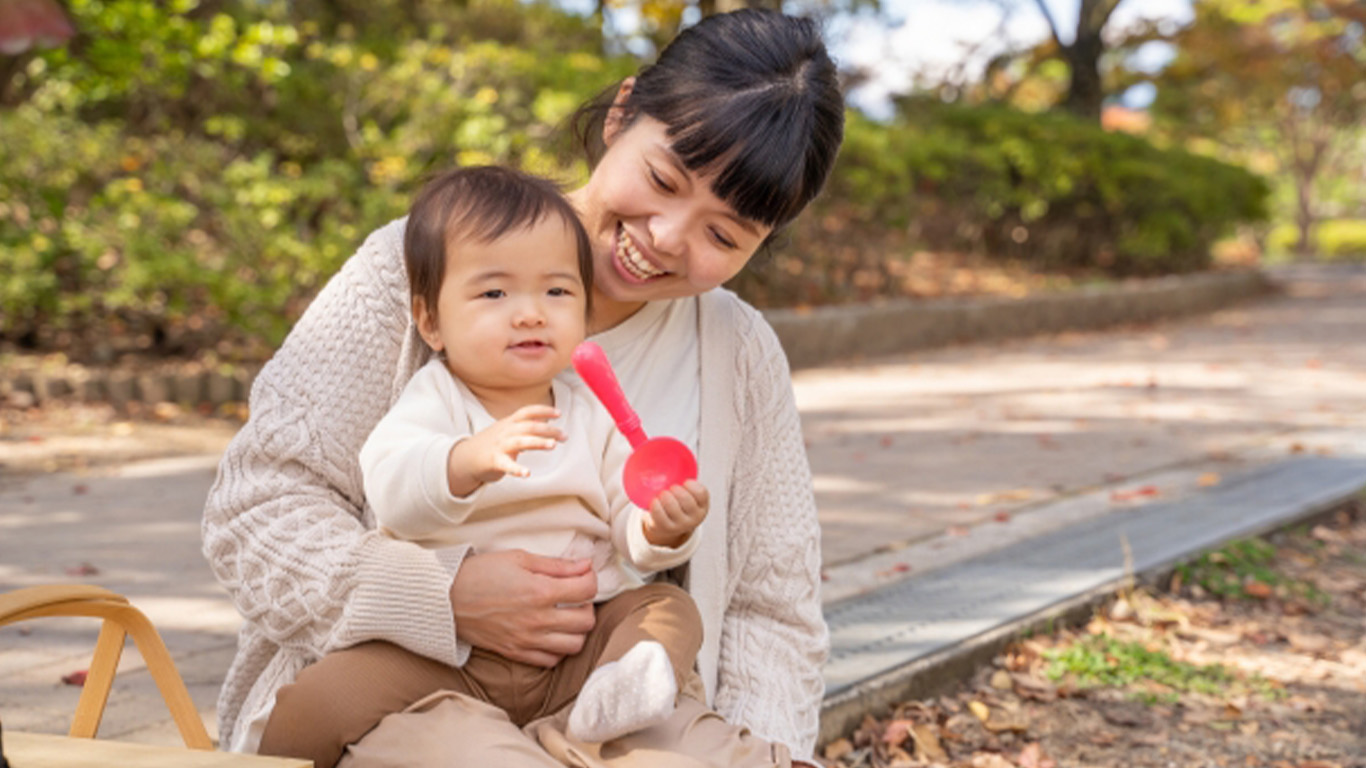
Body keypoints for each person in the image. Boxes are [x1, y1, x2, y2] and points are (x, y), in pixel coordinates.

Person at [202, 7, 844, 766]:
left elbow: (772, 613)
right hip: (399, 705)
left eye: (723, 234)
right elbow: (257, 508)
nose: (668, 236)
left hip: (617, 716)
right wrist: (442, 597)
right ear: (619, 114)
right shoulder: (416, 268)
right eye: (663, 179)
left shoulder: (737, 353)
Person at [255, 165, 713, 767]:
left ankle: (614, 696)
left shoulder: (590, 412)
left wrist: (659, 529)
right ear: (431, 321)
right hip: (443, 652)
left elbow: (626, 520)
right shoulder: (435, 400)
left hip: (574, 645)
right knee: (320, 694)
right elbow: (391, 491)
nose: (530, 314)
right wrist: (462, 462)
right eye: (495, 294)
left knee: (668, 609)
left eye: (557, 292)